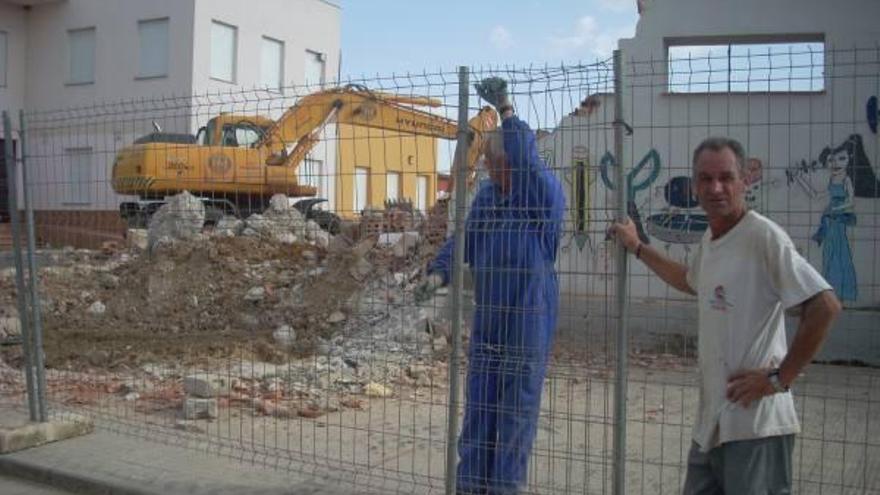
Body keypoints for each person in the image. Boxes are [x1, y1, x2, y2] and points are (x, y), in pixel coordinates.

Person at [609, 137, 841, 495]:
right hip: (713, 425)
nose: (715, 188)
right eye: (705, 178)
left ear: (744, 181)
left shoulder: (763, 237)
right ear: (694, 184)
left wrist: (781, 379)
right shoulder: (712, 239)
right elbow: (690, 281)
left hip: (756, 428)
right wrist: (638, 247)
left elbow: (825, 306)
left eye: (726, 177)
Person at [417, 77, 565, 494]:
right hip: (490, 320)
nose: (483, 166)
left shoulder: (541, 196)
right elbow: (463, 239)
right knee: (480, 411)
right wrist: (438, 272)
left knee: (515, 416)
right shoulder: (487, 199)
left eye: (490, 161)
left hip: (527, 319)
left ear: (510, 162)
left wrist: (505, 108)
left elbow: (527, 157)